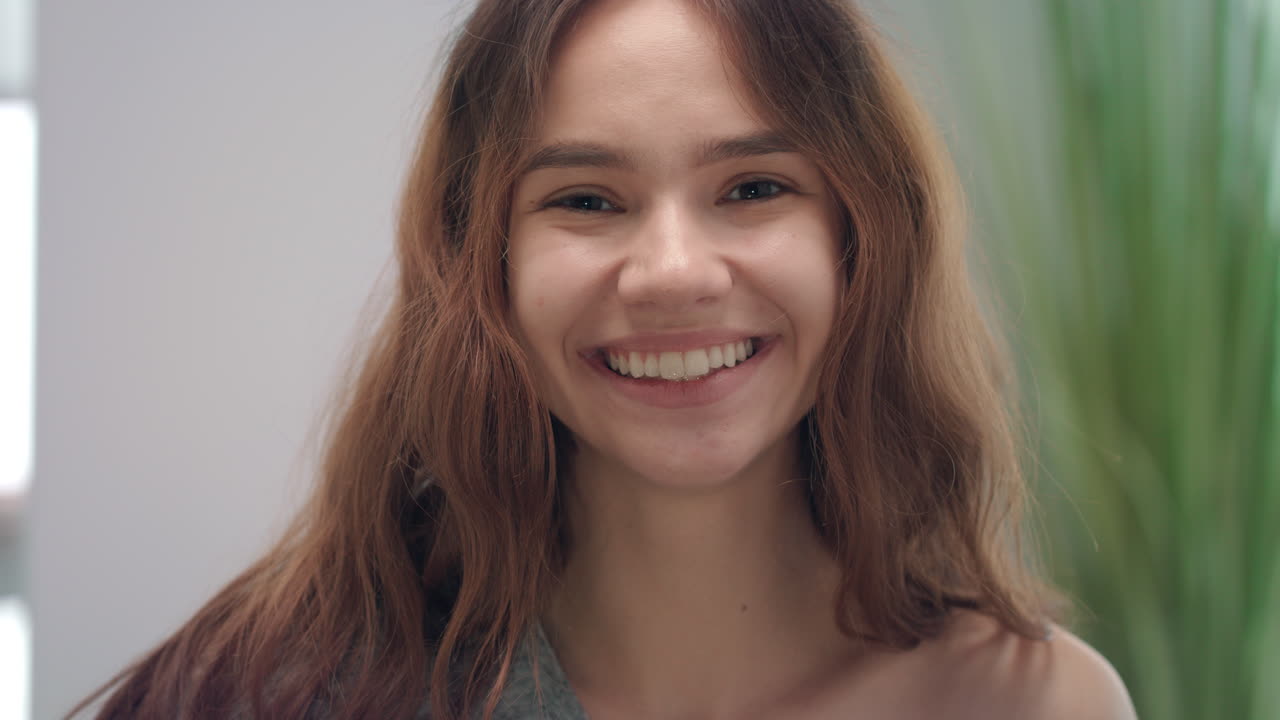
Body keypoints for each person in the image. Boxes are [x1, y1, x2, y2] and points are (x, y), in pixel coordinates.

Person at [73, 0, 1137, 718]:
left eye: (752, 188)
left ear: (862, 240)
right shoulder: (280, 691)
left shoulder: (1036, 704)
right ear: (479, 262)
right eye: (584, 201)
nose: (671, 272)